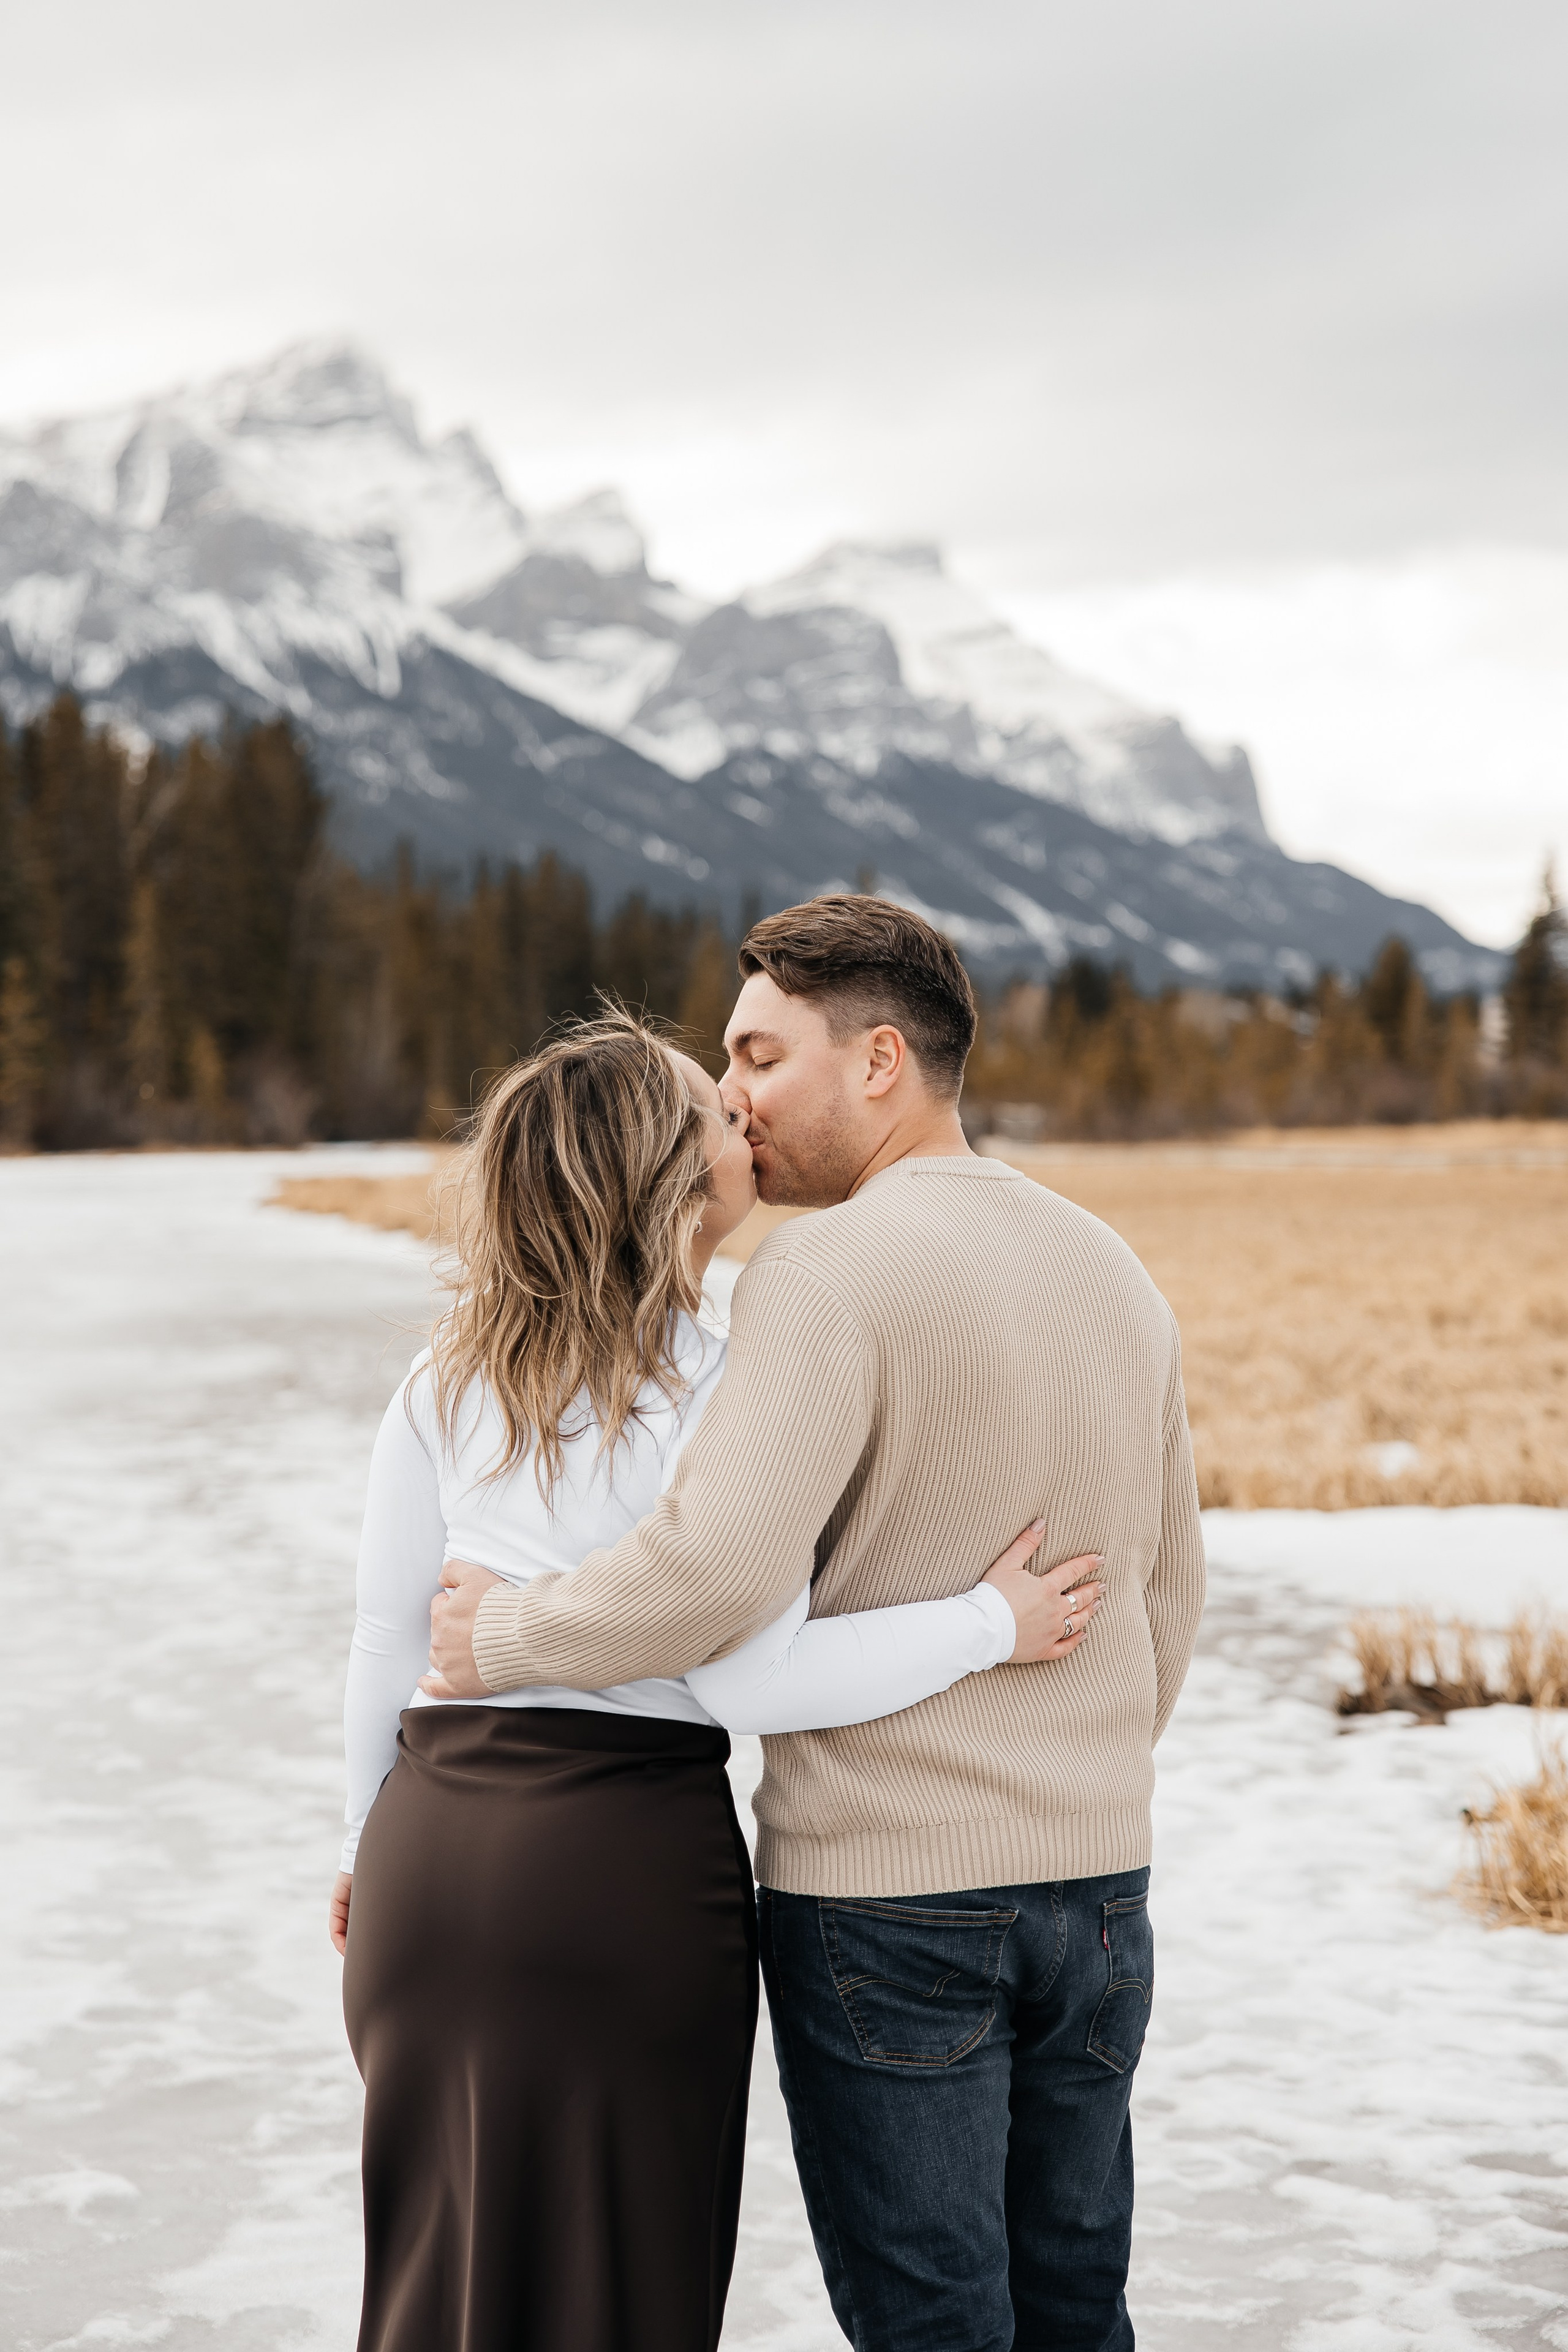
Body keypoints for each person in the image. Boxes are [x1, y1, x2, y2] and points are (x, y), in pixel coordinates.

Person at [427, 895, 1206, 2352]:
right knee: (1076, 2314)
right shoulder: (1115, 1269)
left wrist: (507, 1640)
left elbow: (716, 1568)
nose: (729, 1097)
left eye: (759, 1056)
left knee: (933, 2331)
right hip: (1099, 1897)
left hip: (890, 1907)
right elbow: (1171, 1596)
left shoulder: (821, 1274)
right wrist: (1067, 1775)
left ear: (877, 1063)